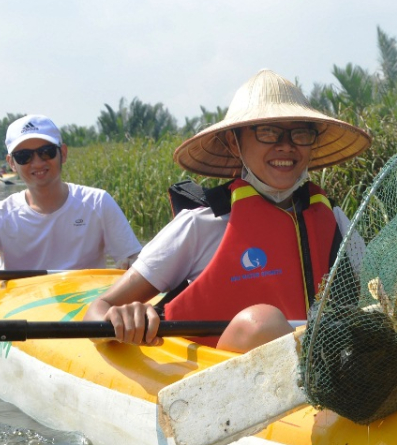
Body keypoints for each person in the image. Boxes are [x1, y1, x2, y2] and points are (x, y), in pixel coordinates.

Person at [84, 69, 372, 352]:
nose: (286, 147)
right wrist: (120, 318)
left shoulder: (334, 221)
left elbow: (379, 297)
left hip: (326, 379)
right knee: (262, 324)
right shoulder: (200, 224)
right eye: (268, 132)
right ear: (235, 143)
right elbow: (99, 308)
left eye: (299, 134)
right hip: (220, 381)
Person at [0, 114, 142, 287]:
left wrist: (135, 263)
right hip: (22, 309)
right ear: (11, 163)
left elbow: (134, 259)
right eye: (23, 156)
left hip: (83, 303)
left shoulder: (98, 202)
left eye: (46, 152)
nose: (36, 163)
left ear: (62, 153)